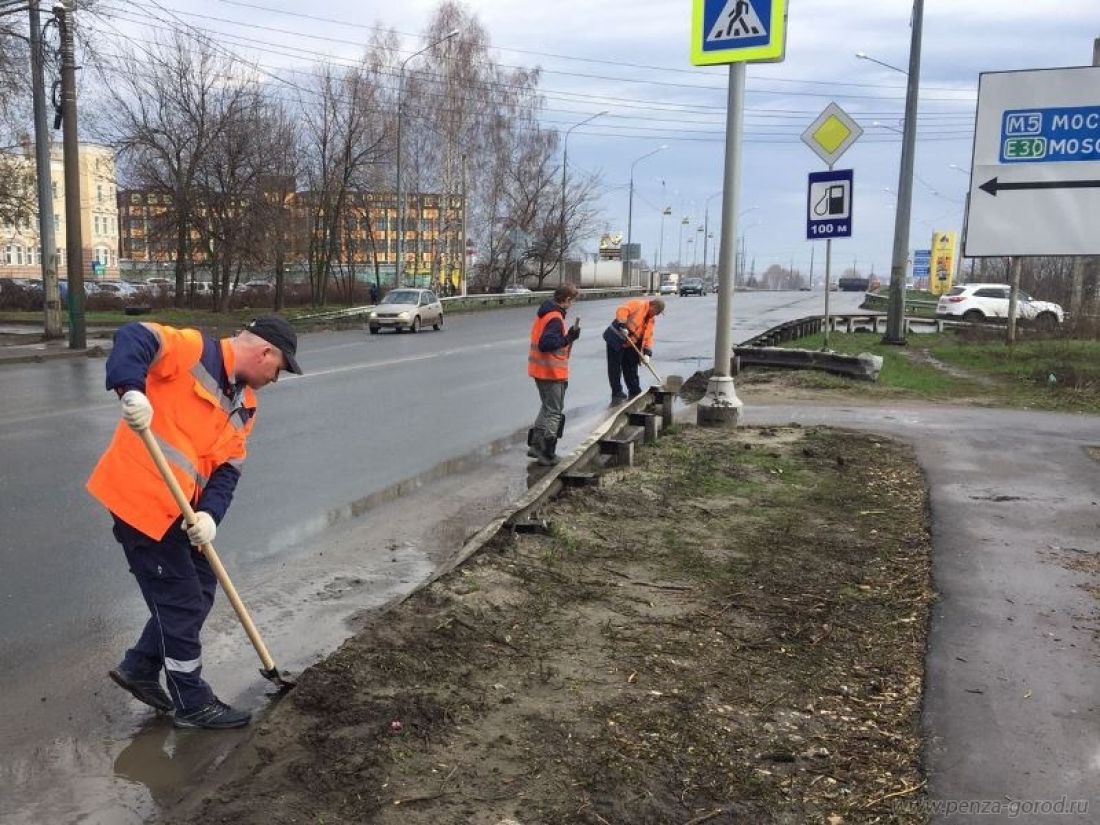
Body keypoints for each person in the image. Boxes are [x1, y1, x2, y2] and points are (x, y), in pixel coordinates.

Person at [87, 315, 302, 729]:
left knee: (200, 589)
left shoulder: (246, 406)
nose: (276, 379)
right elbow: (136, 336)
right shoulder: (194, 351)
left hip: (182, 510)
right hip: (141, 499)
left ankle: (139, 668)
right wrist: (131, 390)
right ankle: (191, 701)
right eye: (279, 369)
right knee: (181, 600)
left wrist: (210, 516)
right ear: (265, 352)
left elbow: (228, 470)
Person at [527, 283, 580, 466]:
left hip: (540, 371)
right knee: (554, 413)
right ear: (566, 300)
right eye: (572, 301)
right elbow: (546, 344)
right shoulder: (555, 318)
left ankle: (535, 445)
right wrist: (569, 338)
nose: (572, 305)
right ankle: (548, 453)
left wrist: (568, 337)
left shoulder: (545, 313)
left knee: (546, 407)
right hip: (551, 372)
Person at [603, 297, 664, 403]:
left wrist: (647, 353)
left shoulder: (651, 320)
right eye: (657, 312)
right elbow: (622, 309)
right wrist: (622, 324)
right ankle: (617, 392)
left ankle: (634, 390)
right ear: (653, 306)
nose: (657, 315)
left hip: (630, 343)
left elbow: (648, 336)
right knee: (615, 368)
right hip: (616, 338)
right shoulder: (638, 304)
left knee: (631, 367)